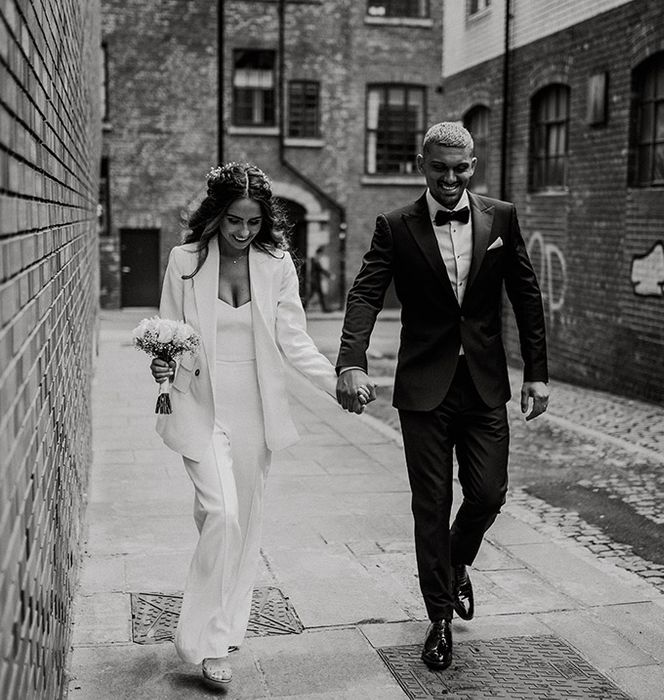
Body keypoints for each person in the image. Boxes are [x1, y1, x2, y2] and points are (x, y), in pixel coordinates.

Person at [335, 122, 550, 671]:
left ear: (473, 165)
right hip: (424, 388)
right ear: (421, 164)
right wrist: (351, 362)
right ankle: (438, 619)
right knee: (429, 506)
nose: (450, 178)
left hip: (483, 385)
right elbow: (365, 293)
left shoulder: (500, 218)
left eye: (460, 168)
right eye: (439, 168)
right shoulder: (395, 226)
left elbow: (525, 294)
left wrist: (537, 373)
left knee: (487, 493)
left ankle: (456, 563)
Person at [149, 162, 367, 687]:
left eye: (252, 223)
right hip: (200, 403)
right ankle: (200, 640)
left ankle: (221, 633)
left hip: (253, 406)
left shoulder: (277, 264)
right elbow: (168, 334)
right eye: (233, 222)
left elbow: (294, 341)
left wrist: (337, 381)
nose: (243, 233)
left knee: (241, 527)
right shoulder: (184, 261)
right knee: (221, 514)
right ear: (215, 217)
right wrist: (160, 363)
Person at [308, 244, 334, 312]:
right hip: (315, 281)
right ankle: (325, 309)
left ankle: (325, 309)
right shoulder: (315, 260)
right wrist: (329, 275)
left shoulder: (314, 259)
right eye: (321, 254)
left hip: (315, 280)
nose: (321, 256)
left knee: (316, 295)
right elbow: (321, 269)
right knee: (314, 295)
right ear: (319, 253)